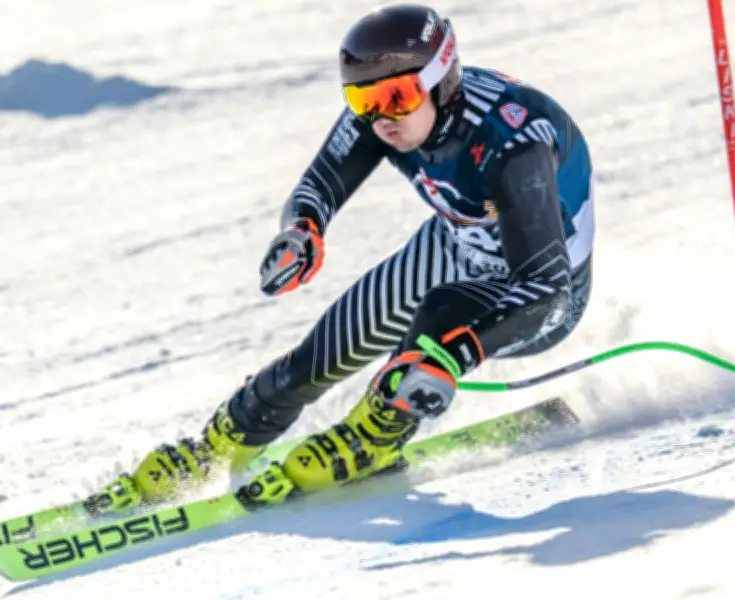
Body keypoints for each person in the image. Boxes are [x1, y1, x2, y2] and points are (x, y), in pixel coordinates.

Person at [86, 2, 595, 513]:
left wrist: (450, 358)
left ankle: (374, 432)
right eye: (363, 98)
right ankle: (215, 447)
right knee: (314, 360)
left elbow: (547, 292)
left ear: (443, 80)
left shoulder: (512, 142)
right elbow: (321, 183)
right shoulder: (389, 114)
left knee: (440, 314)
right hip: (453, 246)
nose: (381, 116)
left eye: (395, 97)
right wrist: (302, 230)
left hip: (540, 293)